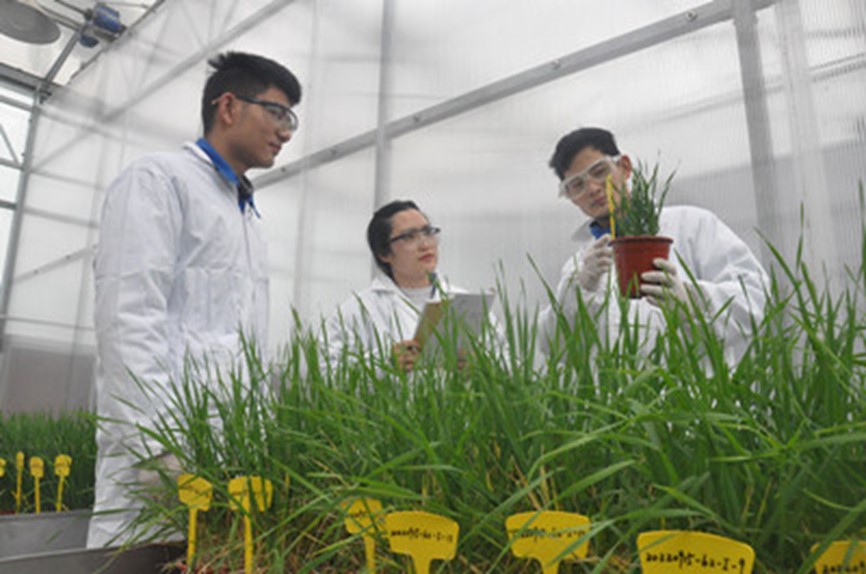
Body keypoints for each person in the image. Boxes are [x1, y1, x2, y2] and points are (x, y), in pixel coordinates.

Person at [87, 52, 301, 548]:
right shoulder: (158, 180)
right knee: (139, 559)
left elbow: (237, 343)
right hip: (159, 459)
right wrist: (158, 448)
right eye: (277, 113)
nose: (286, 132)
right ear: (228, 107)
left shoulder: (244, 213)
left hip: (227, 458)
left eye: (291, 119)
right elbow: (127, 318)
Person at [539, 127, 767, 362]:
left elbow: (756, 297)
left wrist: (693, 300)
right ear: (570, 197)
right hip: (615, 387)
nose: (593, 188)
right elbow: (553, 347)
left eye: (600, 172)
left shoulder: (691, 225)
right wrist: (577, 293)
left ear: (624, 167)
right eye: (577, 185)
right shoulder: (580, 266)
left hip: (694, 385)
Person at [323, 200, 495, 372]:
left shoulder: (466, 302)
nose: (425, 245)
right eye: (409, 237)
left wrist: (482, 365)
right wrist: (384, 362)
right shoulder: (356, 311)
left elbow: (506, 358)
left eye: (428, 232)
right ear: (384, 253)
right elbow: (327, 373)